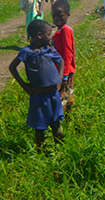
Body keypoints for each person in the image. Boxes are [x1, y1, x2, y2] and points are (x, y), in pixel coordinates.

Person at [8, 19, 64, 148]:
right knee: (39, 126)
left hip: (53, 94)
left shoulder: (49, 49)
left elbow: (60, 61)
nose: (51, 37)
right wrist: (24, 85)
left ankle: (60, 147)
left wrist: (60, 77)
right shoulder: (26, 52)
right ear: (39, 35)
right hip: (38, 96)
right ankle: (40, 149)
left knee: (56, 123)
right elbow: (12, 67)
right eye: (49, 34)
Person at [52, 0, 76, 111]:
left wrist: (65, 75)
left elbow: (67, 53)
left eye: (61, 16)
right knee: (65, 95)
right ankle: (67, 118)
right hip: (61, 70)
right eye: (54, 16)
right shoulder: (60, 29)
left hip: (65, 71)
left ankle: (67, 119)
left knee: (64, 95)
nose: (57, 19)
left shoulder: (65, 30)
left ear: (68, 15)